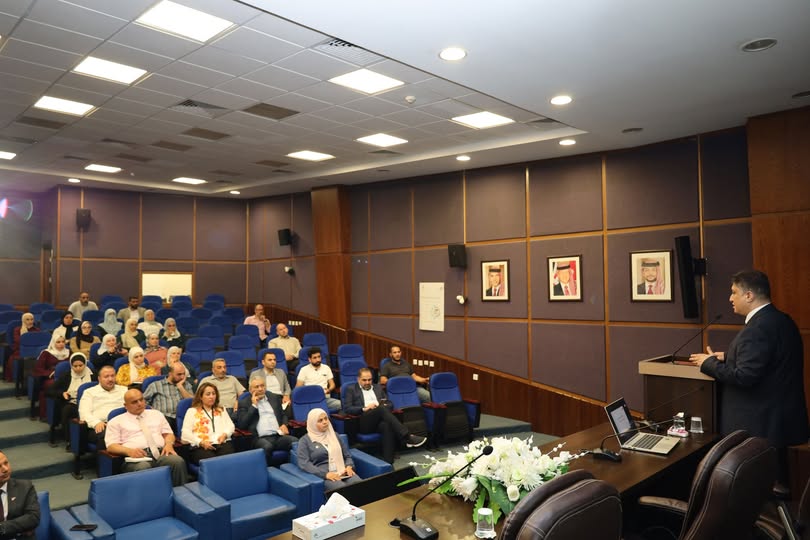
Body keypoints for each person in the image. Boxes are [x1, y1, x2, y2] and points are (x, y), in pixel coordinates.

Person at [689, 270, 808, 488]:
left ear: (749, 295)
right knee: (775, 483)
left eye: (734, 292)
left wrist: (708, 363)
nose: (730, 298)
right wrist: (728, 356)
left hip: (759, 426)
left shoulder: (757, 328)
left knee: (756, 490)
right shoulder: (781, 320)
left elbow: (745, 377)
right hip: (778, 422)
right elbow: (772, 358)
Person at [105, 388, 188, 486]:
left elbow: (168, 434)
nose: (139, 404)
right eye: (134, 402)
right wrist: (129, 451)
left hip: (161, 453)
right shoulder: (116, 421)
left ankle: (180, 493)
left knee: (177, 461)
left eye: (141, 400)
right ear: (125, 406)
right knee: (143, 467)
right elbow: (111, 446)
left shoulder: (156, 414)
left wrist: (169, 444)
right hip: (136, 458)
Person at [343, 367, 426, 463]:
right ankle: (406, 436)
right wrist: (365, 408)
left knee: (387, 425)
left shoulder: (378, 388)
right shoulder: (351, 389)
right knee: (381, 409)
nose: (367, 382)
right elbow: (347, 409)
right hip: (364, 422)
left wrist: (383, 406)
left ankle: (388, 462)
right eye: (364, 380)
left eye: (369, 380)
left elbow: (390, 403)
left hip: (379, 420)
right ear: (358, 379)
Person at [297, 408, 362, 492]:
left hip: (343, 471)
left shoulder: (335, 435)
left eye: (326, 418)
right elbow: (304, 464)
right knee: (341, 488)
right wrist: (325, 474)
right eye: (320, 420)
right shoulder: (305, 441)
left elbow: (347, 456)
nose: (325, 422)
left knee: (358, 484)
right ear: (312, 423)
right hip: (325, 475)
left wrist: (349, 466)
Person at [236, 377, 296, 463]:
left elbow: (283, 415)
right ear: (250, 390)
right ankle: (267, 469)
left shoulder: (273, 397)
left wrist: (284, 424)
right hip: (259, 438)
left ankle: (292, 467)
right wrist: (254, 406)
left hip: (277, 436)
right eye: (257, 387)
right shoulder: (244, 403)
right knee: (267, 447)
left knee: (295, 442)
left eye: (262, 386)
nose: (260, 389)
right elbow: (242, 424)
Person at [181, 382, 236, 464]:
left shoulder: (221, 409)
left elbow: (231, 426)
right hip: (201, 446)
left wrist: (225, 435)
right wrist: (200, 442)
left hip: (221, 443)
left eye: (213, 394)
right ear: (201, 397)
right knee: (212, 463)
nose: (211, 397)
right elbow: (185, 434)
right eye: (208, 394)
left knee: (229, 460)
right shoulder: (192, 411)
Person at [46, 352, 94, 446]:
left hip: (91, 402)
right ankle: (69, 440)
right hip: (73, 403)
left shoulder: (93, 374)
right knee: (67, 410)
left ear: (85, 364)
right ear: (71, 366)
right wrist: (62, 393)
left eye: (80, 365)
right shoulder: (66, 376)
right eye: (75, 366)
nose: (78, 368)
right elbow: (50, 390)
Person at [78, 364, 127, 450]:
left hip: (123, 424)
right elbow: (84, 413)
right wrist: (96, 422)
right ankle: (105, 459)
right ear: (99, 379)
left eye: (112, 376)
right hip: (101, 425)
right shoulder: (89, 392)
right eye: (106, 376)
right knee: (107, 437)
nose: (110, 379)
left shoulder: (124, 390)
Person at [0, 450, 40, 539]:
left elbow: (33, 518)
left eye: (6, 463)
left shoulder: (25, 487)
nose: (5, 469)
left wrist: (2, 528)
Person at [143, 362, 193, 431]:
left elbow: (192, 402)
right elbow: (142, 401)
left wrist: (181, 387)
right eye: (179, 374)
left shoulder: (186, 384)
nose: (182, 377)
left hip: (183, 417)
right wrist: (151, 410)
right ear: (170, 374)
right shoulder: (155, 385)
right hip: (165, 417)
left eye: (184, 374)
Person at [31, 334, 70, 419]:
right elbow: (38, 369)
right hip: (50, 377)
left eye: (63, 342)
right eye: (58, 342)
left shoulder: (69, 352)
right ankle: (49, 415)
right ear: (53, 343)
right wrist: (50, 373)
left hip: (66, 377)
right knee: (53, 386)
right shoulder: (46, 353)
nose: (61, 344)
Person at [296, 347, 341, 412]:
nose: (317, 359)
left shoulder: (326, 368)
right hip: (310, 400)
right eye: (314, 358)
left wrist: (329, 389)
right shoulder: (304, 370)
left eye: (319, 357)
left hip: (325, 399)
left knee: (341, 404)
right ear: (309, 359)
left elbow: (332, 384)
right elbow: (298, 388)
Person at [6, 312, 38, 383]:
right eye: (27, 319)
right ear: (23, 321)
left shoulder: (37, 330)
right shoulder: (17, 330)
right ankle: (18, 379)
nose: (30, 321)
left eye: (32, 319)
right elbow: (19, 341)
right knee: (12, 359)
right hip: (20, 351)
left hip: (34, 351)